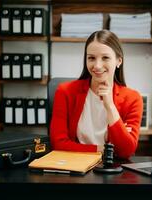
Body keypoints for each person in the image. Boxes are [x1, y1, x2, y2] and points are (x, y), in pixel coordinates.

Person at [50, 30, 143, 159]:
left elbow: (126, 150)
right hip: (75, 165)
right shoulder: (65, 92)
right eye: (91, 58)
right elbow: (58, 144)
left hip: (112, 171)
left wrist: (110, 106)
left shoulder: (132, 98)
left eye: (105, 58)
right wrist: (103, 149)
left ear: (118, 61)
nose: (97, 66)